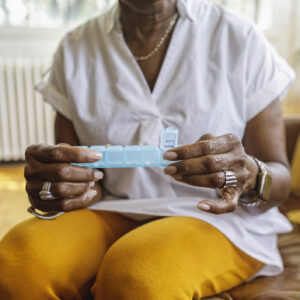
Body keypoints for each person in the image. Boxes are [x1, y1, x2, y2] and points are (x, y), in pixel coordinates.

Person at [0, 0, 296, 299]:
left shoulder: (239, 38)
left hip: (219, 220)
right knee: (17, 264)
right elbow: (86, 182)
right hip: (115, 208)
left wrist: (249, 173)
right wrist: (60, 185)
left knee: (137, 275)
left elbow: (279, 177)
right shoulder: (76, 48)